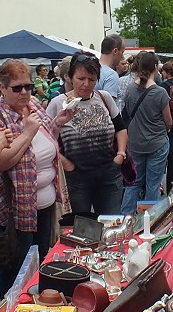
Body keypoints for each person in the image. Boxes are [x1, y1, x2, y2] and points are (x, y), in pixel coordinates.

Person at [0, 59, 74, 281]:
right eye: (17, 88)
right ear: (1, 88)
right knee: (17, 270)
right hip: (17, 210)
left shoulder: (33, 105)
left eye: (28, 86)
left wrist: (58, 123)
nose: (25, 92)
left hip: (45, 204)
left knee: (42, 261)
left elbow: (47, 143)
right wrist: (28, 132)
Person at [46, 52, 127, 217]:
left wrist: (120, 153)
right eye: (81, 78)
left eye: (92, 79)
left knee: (110, 223)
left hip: (108, 175)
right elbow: (46, 141)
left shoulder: (104, 98)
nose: (86, 84)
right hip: (76, 178)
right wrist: (66, 164)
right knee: (81, 228)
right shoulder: (57, 103)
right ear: (70, 77)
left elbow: (120, 127)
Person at [121, 51, 172, 214]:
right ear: (155, 67)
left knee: (134, 182)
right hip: (156, 143)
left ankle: (126, 217)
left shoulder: (129, 89)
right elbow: (168, 121)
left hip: (135, 143)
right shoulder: (160, 92)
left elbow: (128, 113)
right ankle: (151, 218)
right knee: (153, 184)